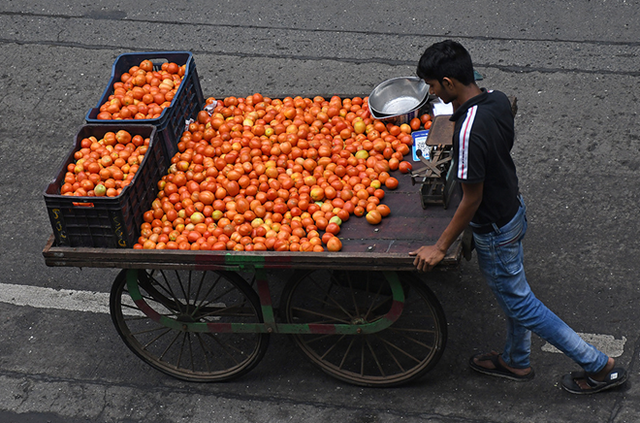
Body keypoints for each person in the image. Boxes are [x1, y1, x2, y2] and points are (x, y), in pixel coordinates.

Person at [409, 40, 627, 394]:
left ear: (448, 83)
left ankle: (598, 365)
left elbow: (470, 199)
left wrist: (439, 246)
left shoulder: (467, 134)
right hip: (513, 210)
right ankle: (516, 359)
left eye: (433, 86)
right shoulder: (496, 99)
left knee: (521, 303)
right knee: (514, 293)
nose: (432, 93)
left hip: (494, 228)